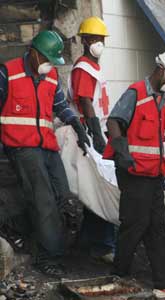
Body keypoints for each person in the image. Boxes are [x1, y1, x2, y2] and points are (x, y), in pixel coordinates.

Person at [0, 30, 90, 276]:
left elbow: (60, 106)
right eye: (48, 59)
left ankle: (30, 236)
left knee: (65, 197)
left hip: (47, 146)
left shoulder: (50, 75)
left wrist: (77, 126)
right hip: (21, 146)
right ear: (34, 53)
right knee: (44, 200)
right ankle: (48, 257)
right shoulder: (7, 72)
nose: (51, 65)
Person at [103, 49, 165, 297]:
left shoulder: (162, 100)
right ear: (162, 71)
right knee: (134, 225)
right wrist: (122, 153)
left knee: (159, 228)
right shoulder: (136, 92)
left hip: (153, 175)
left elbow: (162, 137)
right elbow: (113, 121)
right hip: (133, 172)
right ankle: (119, 275)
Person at [69, 16, 115, 264]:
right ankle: (103, 245)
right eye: (94, 39)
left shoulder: (94, 67)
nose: (99, 43)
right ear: (84, 41)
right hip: (89, 132)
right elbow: (85, 101)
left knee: (95, 189)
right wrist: (96, 134)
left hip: (98, 131)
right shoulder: (84, 68)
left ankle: (86, 242)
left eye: (101, 39)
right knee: (102, 189)